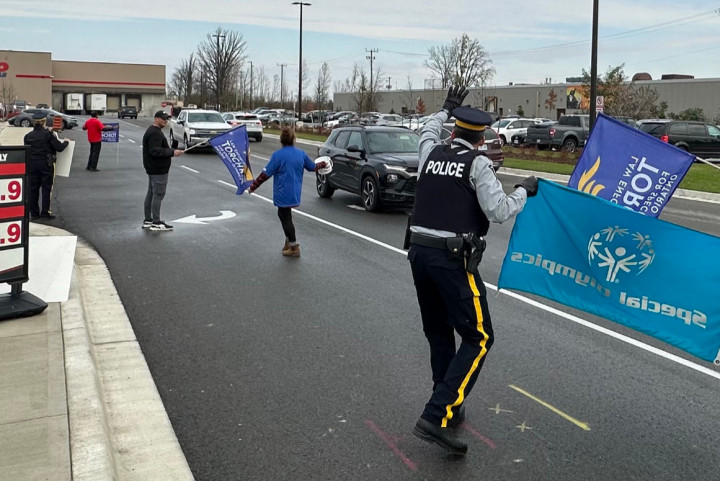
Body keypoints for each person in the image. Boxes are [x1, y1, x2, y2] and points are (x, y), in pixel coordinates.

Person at [408, 86, 538, 457]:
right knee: (480, 337)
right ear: (480, 137)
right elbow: (497, 212)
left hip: (419, 255)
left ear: (454, 131)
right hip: (451, 259)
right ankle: (436, 415)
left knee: (439, 333)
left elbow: (426, 130)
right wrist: (523, 191)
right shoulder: (477, 164)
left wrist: (444, 109)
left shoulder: (431, 152)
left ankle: (449, 401)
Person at [248, 127, 327, 257]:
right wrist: (323, 164)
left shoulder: (277, 155)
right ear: (293, 139)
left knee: (284, 217)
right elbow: (312, 167)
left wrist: (253, 187)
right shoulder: (301, 153)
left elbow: (265, 174)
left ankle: (294, 245)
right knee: (286, 216)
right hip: (295, 191)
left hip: (282, 192)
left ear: (281, 140)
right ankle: (288, 241)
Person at [23, 111, 69, 220]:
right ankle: (45, 212)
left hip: (32, 164)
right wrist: (66, 142)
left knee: (33, 189)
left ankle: (34, 213)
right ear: (44, 122)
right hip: (45, 164)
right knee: (46, 189)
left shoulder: (28, 136)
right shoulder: (48, 135)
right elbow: (59, 148)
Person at [142, 110, 183, 231]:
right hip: (158, 169)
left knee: (151, 193)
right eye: (163, 118)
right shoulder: (154, 133)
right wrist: (172, 152)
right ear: (156, 119)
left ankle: (148, 220)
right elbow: (155, 151)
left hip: (153, 168)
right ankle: (156, 222)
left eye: (167, 119)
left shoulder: (154, 131)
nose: (165, 121)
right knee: (158, 194)